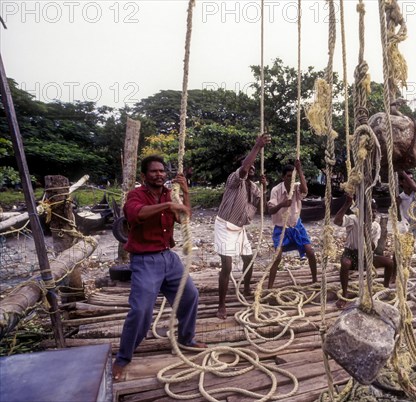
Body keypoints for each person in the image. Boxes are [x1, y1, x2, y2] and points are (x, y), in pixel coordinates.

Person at [112, 155, 203, 381]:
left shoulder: (169, 194)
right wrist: (169, 204)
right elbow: (135, 214)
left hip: (168, 258)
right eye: (154, 171)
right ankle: (123, 358)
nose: (159, 175)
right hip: (144, 261)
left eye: (162, 171)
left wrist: (186, 192)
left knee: (190, 295)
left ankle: (186, 338)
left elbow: (184, 218)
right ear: (144, 176)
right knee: (141, 310)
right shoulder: (136, 195)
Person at [214, 134, 270, 320]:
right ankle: (221, 305)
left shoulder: (253, 187)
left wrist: (264, 189)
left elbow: (264, 209)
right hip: (224, 226)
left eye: (254, 167)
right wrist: (257, 147)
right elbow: (244, 167)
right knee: (227, 266)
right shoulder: (234, 180)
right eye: (249, 166)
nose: (252, 168)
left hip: (239, 229)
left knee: (248, 259)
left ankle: (246, 289)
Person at [333, 194, 395, 309]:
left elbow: (372, 247)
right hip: (350, 254)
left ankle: (385, 288)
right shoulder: (353, 220)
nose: (374, 214)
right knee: (345, 264)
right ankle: (344, 294)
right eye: (370, 211)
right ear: (362, 212)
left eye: (375, 211)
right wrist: (347, 204)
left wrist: (367, 234)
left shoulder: (376, 226)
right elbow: (337, 221)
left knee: (389, 263)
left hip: (366, 256)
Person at [266, 159, 317, 289]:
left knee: (310, 252)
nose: (290, 179)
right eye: (288, 176)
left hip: (296, 226)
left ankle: (315, 280)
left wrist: (299, 170)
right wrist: (282, 204)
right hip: (281, 228)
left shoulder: (296, 187)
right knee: (277, 257)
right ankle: (269, 287)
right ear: (283, 177)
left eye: (292, 176)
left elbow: (305, 191)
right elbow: (270, 210)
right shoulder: (276, 190)